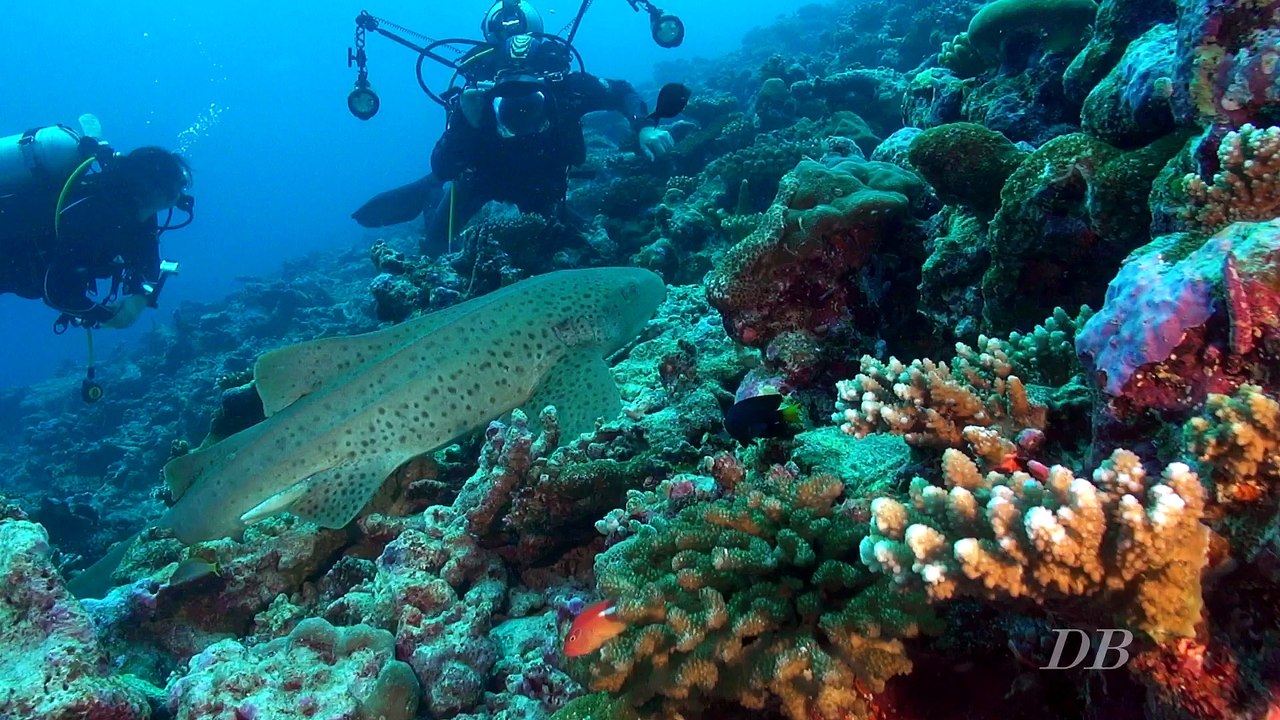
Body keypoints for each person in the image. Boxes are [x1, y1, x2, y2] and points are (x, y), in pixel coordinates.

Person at [352, 0, 682, 255]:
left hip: (541, 184)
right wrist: (466, 118)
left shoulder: (565, 87)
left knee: (578, 248)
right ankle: (428, 196)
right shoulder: (477, 97)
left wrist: (644, 128)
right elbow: (442, 166)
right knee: (435, 248)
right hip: (480, 179)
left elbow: (623, 92)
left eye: (531, 99)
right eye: (509, 99)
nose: (521, 107)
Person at [0, 129, 192, 331]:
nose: (182, 193)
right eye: (178, 185)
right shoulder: (96, 217)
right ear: (155, 189)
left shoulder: (141, 214)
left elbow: (148, 264)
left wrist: (138, 301)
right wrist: (108, 316)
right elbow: (58, 293)